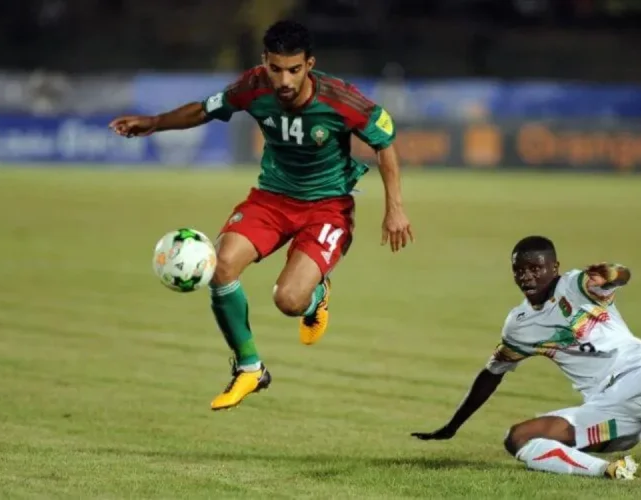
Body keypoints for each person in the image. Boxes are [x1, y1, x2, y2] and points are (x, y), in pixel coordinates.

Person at [109, 20, 413, 411]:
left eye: (294, 69)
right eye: (275, 68)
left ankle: (316, 295)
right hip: (270, 199)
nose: (283, 80)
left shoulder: (340, 99)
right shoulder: (252, 86)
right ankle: (250, 367)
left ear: (310, 64)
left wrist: (395, 209)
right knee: (221, 268)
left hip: (326, 209)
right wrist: (154, 123)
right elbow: (205, 110)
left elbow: (384, 143)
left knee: (287, 300)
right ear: (265, 62)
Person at [411, 236, 641, 480]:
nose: (526, 276)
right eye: (519, 270)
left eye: (536, 268)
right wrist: (453, 427)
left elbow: (620, 275)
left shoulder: (576, 285)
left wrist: (612, 273)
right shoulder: (518, 326)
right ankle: (609, 472)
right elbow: (491, 373)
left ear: (555, 267)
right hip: (607, 406)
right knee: (518, 438)